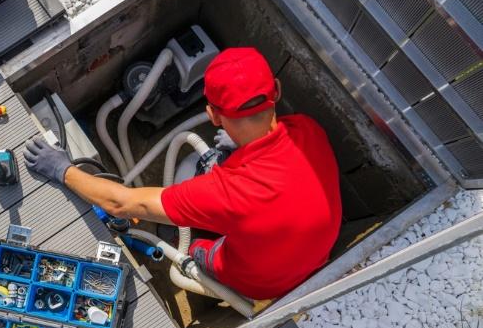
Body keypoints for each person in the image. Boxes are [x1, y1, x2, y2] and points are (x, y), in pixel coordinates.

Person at [23, 47, 342, 300]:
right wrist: (239, 147)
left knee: (197, 249)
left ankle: (177, 241)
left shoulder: (228, 193)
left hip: (260, 282)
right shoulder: (307, 130)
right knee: (213, 171)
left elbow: (121, 203)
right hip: (314, 256)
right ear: (277, 91)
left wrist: (62, 169)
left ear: (213, 115)